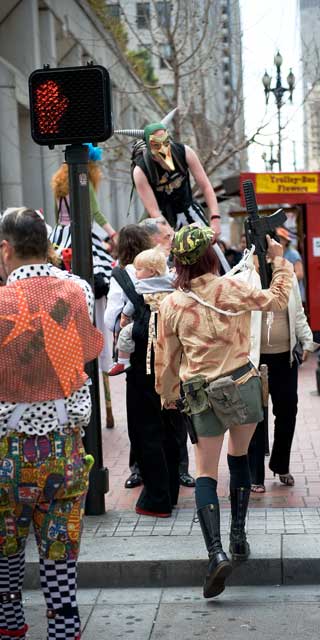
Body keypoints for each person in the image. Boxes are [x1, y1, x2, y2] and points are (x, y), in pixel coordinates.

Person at [155, 225, 293, 599]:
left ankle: (215, 553)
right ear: (208, 255)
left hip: (202, 395)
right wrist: (279, 262)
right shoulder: (229, 288)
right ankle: (239, 537)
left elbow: (166, 359)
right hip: (242, 386)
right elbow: (277, 299)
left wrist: (168, 394)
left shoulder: (171, 304)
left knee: (204, 473)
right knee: (241, 459)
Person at [0, 207, 103, 640]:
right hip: (66, 442)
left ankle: (9, 620)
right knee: (60, 542)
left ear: (6, 249)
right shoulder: (76, 290)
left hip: (8, 448)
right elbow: (88, 352)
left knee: (6, 542)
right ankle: (63, 624)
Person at [105, 225, 180, 513]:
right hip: (172, 365)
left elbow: (113, 319)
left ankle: (157, 498)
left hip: (142, 366)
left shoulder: (123, 279)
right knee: (170, 430)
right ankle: (170, 491)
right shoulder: (171, 279)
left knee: (145, 430)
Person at [50, 143, 116, 429]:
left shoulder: (59, 186)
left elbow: (59, 218)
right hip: (82, 238)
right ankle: (107, 403)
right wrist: (112, 235)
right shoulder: (83, 181)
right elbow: (95, 214)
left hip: (61, 236)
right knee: (97, 289)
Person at [248, 274, 318, 493]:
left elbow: (298, 313)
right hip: (253, 359)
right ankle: (255, 475)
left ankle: (281, 464)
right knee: (254, 416)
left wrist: (307, 340)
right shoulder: (246, 276)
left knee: (287, 412)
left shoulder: (286, 277)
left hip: (285, 358)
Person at [108, 246, 172, 376]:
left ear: (152, 272)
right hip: (167, 321)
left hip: (146, 324)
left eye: (139, 269)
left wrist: (125, 316)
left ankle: (123, 361)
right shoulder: (170, 282)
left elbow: (131, 305)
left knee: (125, 334)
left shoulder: (142, 286)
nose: (136, 273)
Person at [276, 226, 306, 303]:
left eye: (280, 238)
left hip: (294, 295)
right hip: (283, 296)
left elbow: (300, 274)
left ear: (286, 241)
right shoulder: (276, 255)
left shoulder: (293, 254)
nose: (277, 240)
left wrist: (283, 280)